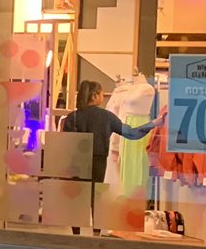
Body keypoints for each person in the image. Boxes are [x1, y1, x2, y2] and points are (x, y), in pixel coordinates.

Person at [62, 79, 159, 232]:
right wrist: (153, 123)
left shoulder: (72, 117)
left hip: (76, 162)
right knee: (97, 198)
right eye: (101, 94)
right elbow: (132, 133)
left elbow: (64, 145)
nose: (103, 97)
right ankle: (97, 233)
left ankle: (76, 234)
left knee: (78, 199)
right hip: (98, 161)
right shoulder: (106, 117)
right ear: (94, 96)